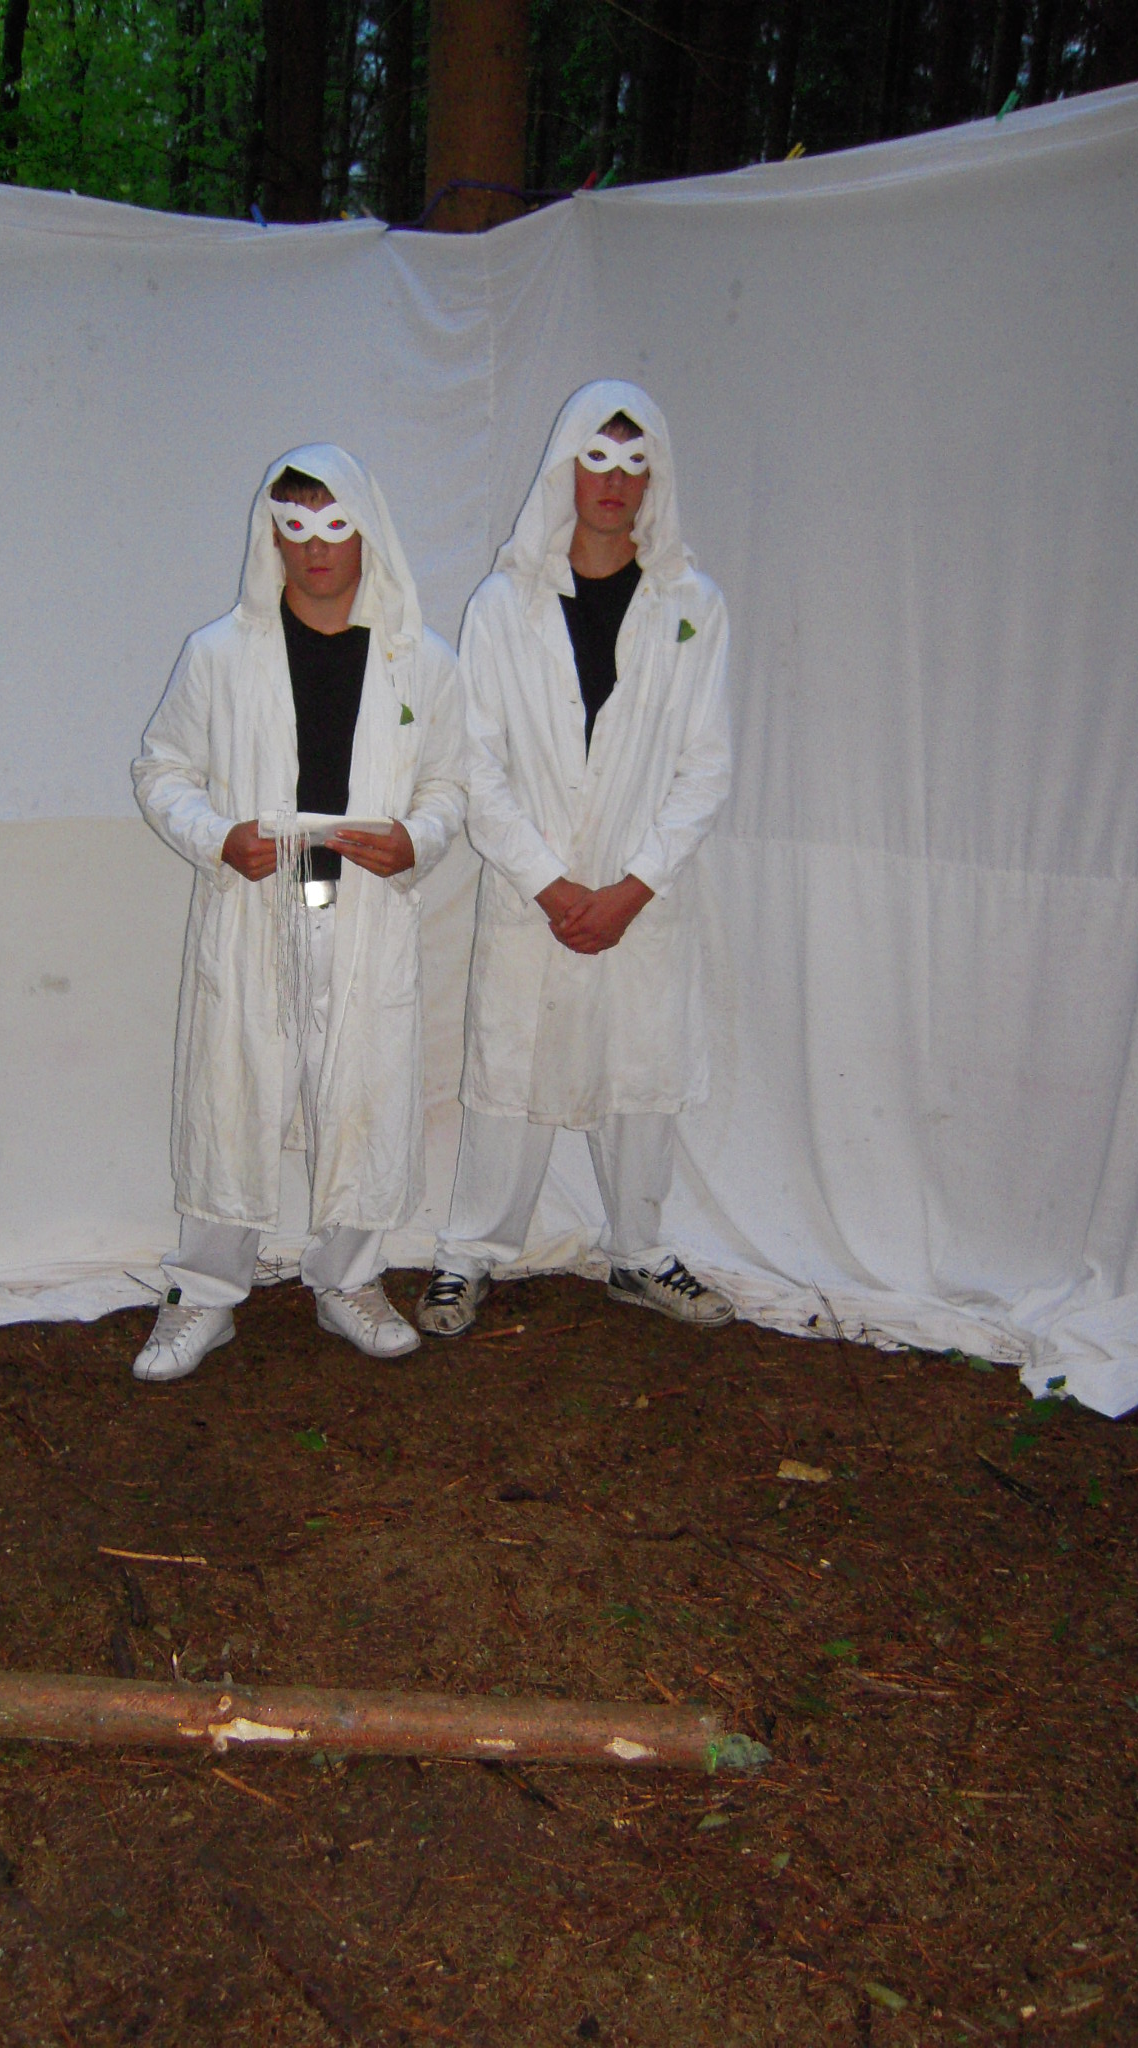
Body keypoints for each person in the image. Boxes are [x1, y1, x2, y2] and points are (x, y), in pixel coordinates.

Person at [132, 445, 464, 1381]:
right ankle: (204, 1293)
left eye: (335, 524)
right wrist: (215, 838)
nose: (317, 547)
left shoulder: (421, 660)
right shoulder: (219, 654)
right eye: (297, 525)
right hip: (255, 910)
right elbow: (161, 768)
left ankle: (348, 1279)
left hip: (363, 913)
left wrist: (418, 838)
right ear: (271, 534)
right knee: (231, 1093)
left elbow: (451, 780)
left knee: (364, 1093)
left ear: (367, 531)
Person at [417, 381, 733, 1339]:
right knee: (509, 1069)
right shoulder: (503, 604)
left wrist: (633, 888)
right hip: (535, 893)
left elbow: (706, 765)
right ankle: (469, 1253)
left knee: (639, 1071)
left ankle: (638, 1251)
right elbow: (475, 761)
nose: (614, 481)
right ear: (564, 468)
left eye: (635, 463)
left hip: (641, 894)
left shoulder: (693, 606)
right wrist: (551, 885)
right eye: (596, 458)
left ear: (656, 479)